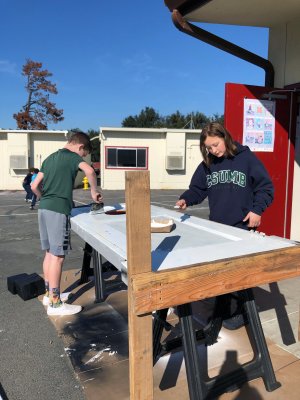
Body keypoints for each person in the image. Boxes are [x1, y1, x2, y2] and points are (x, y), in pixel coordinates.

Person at [176, 122, 274, 328]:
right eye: (208, 147)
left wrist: (257, 210)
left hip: (241, 226)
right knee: (223, 272)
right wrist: (186, 198)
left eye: (215, 144)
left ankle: (245, 312)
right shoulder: (209, 164)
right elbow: (197, 189)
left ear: (225, 137)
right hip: (218, 227)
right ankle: (227, 309)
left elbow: (265, 187)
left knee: (239, 274)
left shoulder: (246, 158)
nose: (213, 150)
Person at [31, 131, 102, 316]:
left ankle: (49, 294)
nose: (83, 157)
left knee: (49, 253)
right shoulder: (71, 157)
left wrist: (44, 198)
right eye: (84, 154)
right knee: (58, 256)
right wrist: (94, 192)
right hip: (58, 210)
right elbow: (90, 171)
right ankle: (55, 304)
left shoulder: (49, 158)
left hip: (44, 208)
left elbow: (34, 186)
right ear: (80, 147)